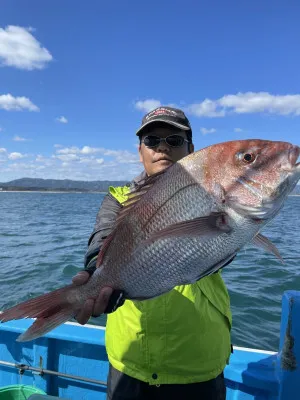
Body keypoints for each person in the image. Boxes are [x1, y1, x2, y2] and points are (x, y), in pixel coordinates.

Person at [72, 106, 233, 400]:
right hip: (131, 362)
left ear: (191, 150)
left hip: (199, 360)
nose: (162, 147)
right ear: (140, 150)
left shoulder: (215, 196)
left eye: (174, 140)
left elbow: (227, 246)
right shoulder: (118, 199)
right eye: (152, 140)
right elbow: (102, 239)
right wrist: (96, 275)